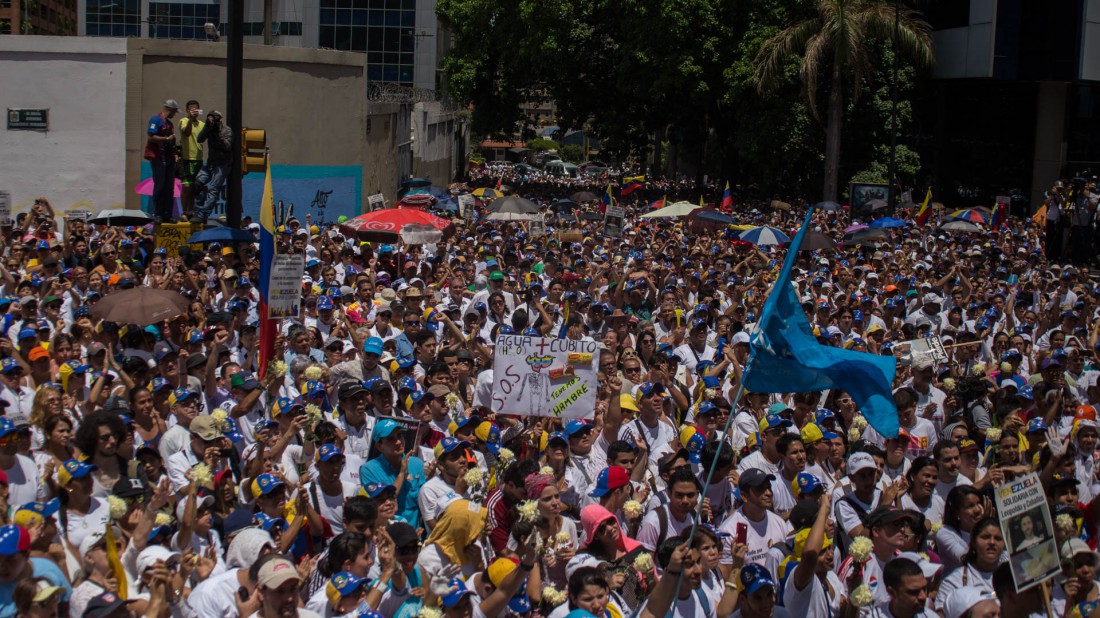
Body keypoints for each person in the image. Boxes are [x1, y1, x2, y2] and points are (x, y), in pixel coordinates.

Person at [194, 110, 233, 224]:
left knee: (213, 189)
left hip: (222, 164)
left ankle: (203, 214)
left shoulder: (227, 130)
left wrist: (217, 135)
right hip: (211, 163)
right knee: (197, 184)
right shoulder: (209, 129)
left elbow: (227, 146)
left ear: (220, 120)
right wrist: (207, 126)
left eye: (215, 119)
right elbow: (200, 139)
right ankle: (197, 211)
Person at [146, 99, 179, 224]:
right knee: (159, 186)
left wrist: (175, 153)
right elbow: (151, 137)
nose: (174, 114)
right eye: (174, 112)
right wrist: (166, 138)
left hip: (169, 158)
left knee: (169, 187)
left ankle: (167, 214)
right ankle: (158, 213)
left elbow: (172, 141)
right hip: (159, 158)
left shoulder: (169, 124)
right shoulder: (156, 120)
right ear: (169, 109)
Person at [177, 100, 205, 215]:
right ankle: (184, 211)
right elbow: (187, 132)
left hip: (198, 159)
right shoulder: (183, 121)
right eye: (192, 109)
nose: (195, 112)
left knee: (193, 187)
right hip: (186, 158)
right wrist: (190, 118)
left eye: (196, 109)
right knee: (186, 186)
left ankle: (191, 211)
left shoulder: (202, 124)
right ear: (188, 110)